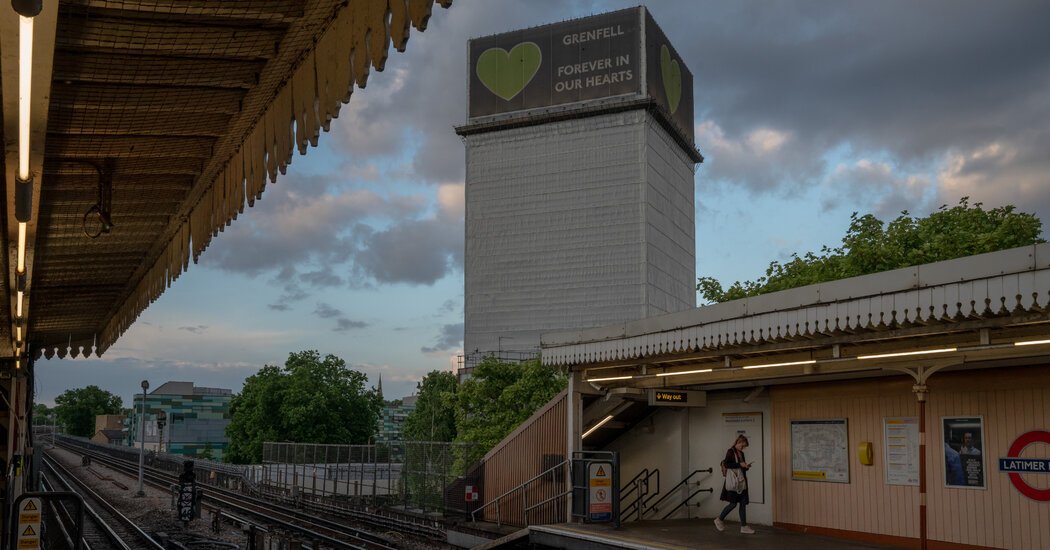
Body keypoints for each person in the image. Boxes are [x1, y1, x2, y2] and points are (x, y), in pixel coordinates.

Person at [715, 434, 755, 534]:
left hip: (741, 482)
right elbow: (726, 464)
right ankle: (719, 519)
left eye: (744, 447)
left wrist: (746, 466)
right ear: (738, 442)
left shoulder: (741, 453)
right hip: (734, 483)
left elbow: (741, 467)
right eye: (742, 446)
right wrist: (739, 464)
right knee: (733, 504)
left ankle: (744, 526)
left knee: (743, 504)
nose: (743, 448)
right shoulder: (730, 451)